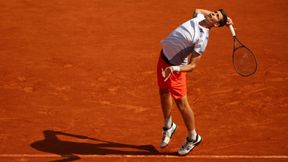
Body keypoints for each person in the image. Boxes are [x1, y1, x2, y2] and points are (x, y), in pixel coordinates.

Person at [157, 8, 233, 155]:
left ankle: (193, 137)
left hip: (175, 68)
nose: (212, 14)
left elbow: (192, 66)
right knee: (163, 91)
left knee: (182, 104)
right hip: (162, 59)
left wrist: (175, 69)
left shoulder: (202, 39)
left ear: (216, 25)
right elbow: (197, 9)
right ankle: (168, 126)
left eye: (216, 15)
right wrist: (225, 18)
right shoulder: (199, 18)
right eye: (215, 11)